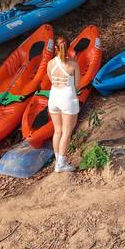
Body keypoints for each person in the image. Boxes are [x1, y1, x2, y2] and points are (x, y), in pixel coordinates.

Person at [47, 36, 81, 173]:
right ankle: (61, 164)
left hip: (54, 96)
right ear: (68, 48)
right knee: (67, 132)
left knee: (57, 131)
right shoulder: (73, 65)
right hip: (67, 97)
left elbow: (51, 79)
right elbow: (77, 84)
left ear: (55, 48)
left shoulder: (50, 63)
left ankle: (59, 160)